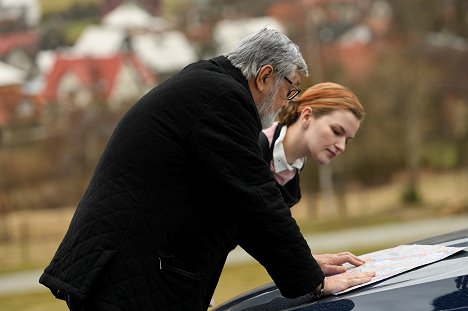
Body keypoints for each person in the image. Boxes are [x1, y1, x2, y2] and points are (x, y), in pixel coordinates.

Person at [39, 28, 374, 311]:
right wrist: (312, 282)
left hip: (124, 271)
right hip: (125, 276)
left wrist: (304, 265)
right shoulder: (222, 99)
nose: (287, 103)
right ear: (266, 76)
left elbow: (238, 210)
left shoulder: (209, 86)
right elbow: (255, 196)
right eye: (289, 91)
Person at [259, 82, 365, 208]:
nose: (341, 147)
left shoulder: (294, 170)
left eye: (347, 140)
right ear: (307, 116)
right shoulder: (256, 144)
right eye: (336, 131)